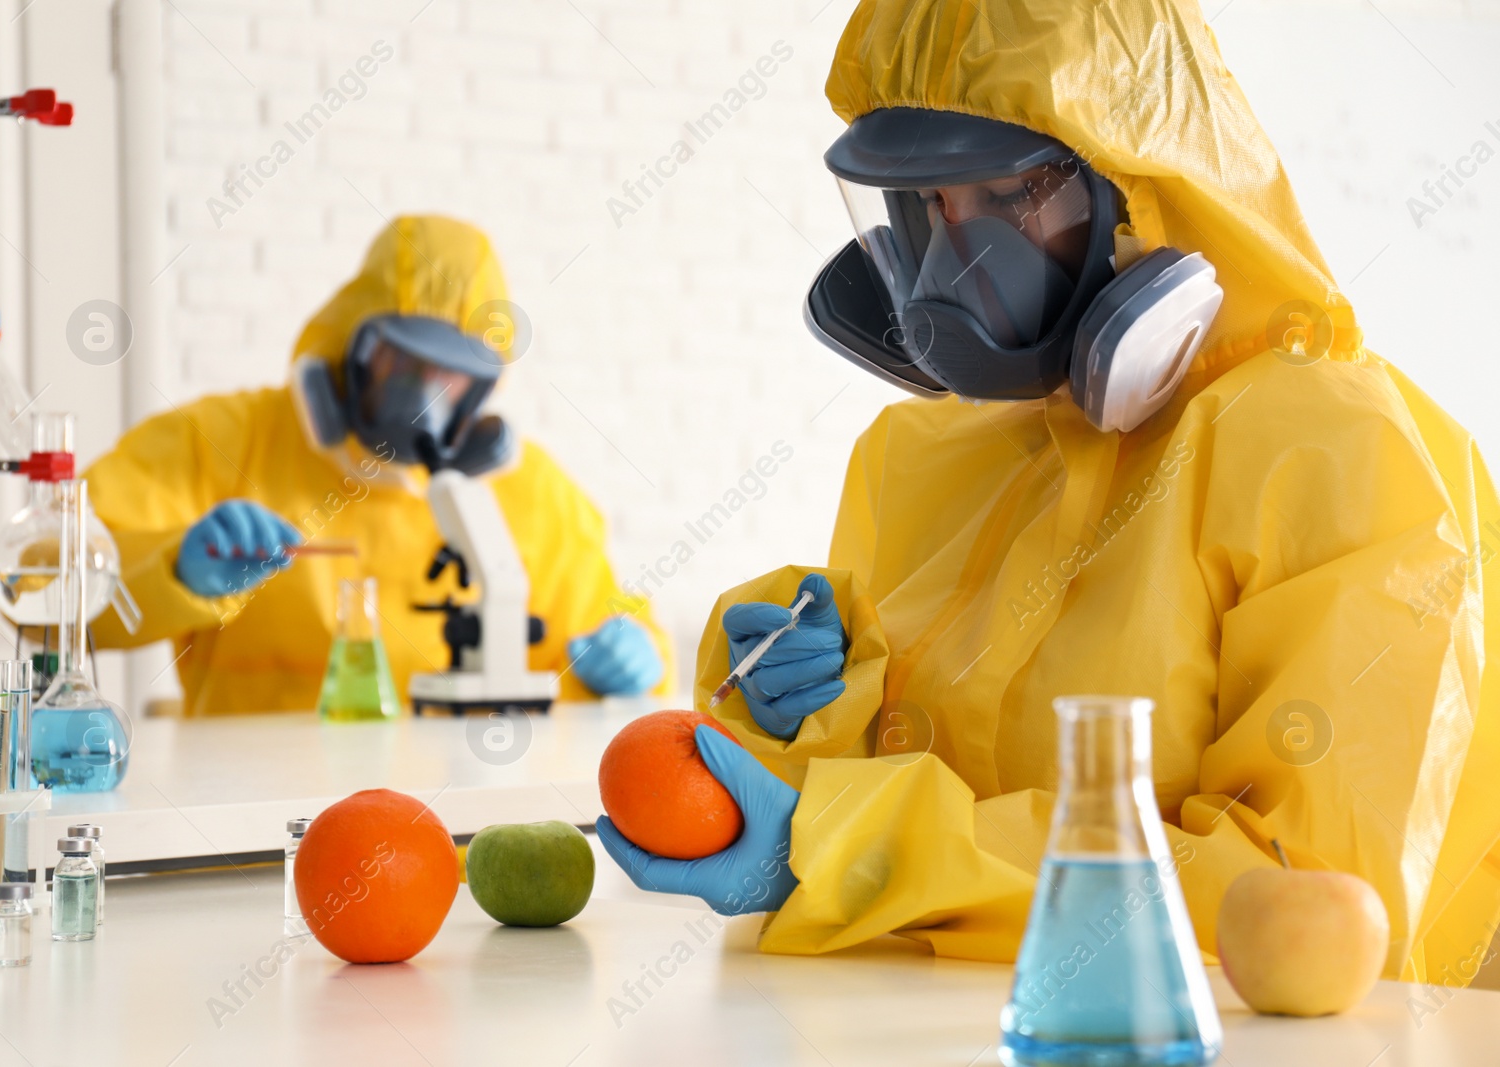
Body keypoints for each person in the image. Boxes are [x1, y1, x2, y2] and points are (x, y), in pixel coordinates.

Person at [599, 0, 1500, 989]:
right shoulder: (916, 450)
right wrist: (788, 725)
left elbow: (1301, 903)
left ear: (1140, 186)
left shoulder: (1331, 454)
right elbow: (860, 810)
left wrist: (856, 849)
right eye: (926, 205)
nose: (955, 264)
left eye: (1005, 197)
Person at [86, 215, 672, 715]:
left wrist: (636, 659)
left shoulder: (531, 494)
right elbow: (47, 586)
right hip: (256, 827)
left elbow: (609, 620)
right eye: (402, 360)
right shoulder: (220, 443)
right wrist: (172, 571)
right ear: (351, 346)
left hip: (457, 831)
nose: (423, 394)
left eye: (451, 371)